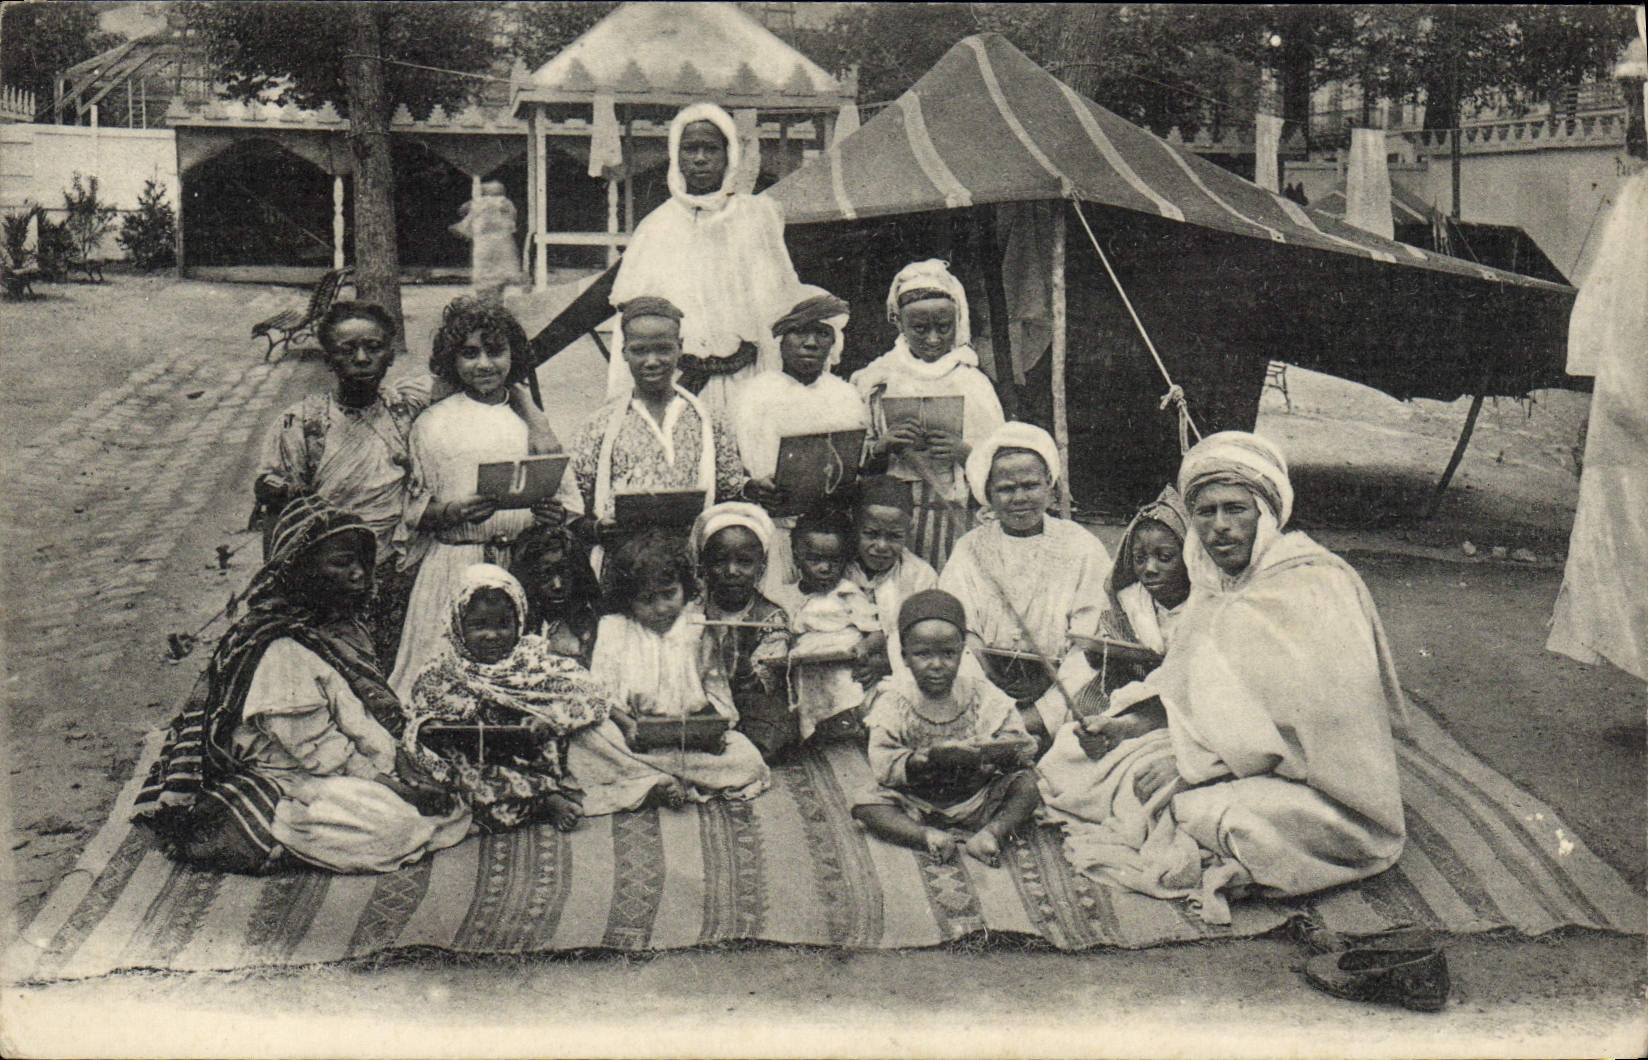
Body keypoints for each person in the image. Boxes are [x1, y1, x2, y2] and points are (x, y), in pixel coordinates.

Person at [1038, 432, 1409, 925]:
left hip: (1319, 786)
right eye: (1206, 512)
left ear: (1267, 513)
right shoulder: (1216, 583)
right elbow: (1186, 681)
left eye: (1236, 509)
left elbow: (1313, 731)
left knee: (1203, 814)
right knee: (1071, 754)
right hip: (1222, 752)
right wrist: (1132, 725)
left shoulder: (1313, 584)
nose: (1220, 528)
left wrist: (1193, 767)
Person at [133, 497, 469, 875]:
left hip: (341, 760)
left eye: (360, 562)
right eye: (342, 563)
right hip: (293, 774)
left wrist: (398, 761)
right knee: (397, 826)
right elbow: (317, 751)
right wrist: (395, 786)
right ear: (303, 573)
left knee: (446, 796)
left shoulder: (332, 629)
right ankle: (276, 829)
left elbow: (358, 719)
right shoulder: (279, 648)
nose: (359, 573)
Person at [388, 298, 563, 700]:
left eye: (495, 351)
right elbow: (412, 506)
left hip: (520, 563)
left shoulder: (532, 422)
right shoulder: (434, 423)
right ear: (453, 360)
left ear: (513, 355)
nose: (484, 364)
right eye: (470, 354)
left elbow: (560, 491)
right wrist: (450, 511)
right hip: (455, 562)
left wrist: (551, 512)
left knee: (517, 683)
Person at [252, 301, 429, 663]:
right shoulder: (302, 424)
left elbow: (475, 379)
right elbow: (275, 508)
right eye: (347, 350)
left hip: (398, 572)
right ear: (329, 358)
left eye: (374, 347)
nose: (362, 358)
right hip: (330, 583)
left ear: (390, 355)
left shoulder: (405, 409)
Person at [607, 103, 799, 415]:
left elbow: (782, 304)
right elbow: (630, 324)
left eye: (710, 149)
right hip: (680, 385)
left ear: (729, 155)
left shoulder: (756, 217)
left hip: (749, 382)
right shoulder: (656, 227)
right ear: (675, 155)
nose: (699, 158)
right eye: (689, 149)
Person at [404, 563, 612, 833]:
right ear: (457, 624)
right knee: (463, 775)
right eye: (479, 626)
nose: (492, 635)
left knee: (573, 742)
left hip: (531, 750)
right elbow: (421, 716)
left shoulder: (529, 657)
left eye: (503, 625)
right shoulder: (443, 668)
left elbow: (582, 688)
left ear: (519, 621)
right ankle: (543, 799)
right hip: (476, 754)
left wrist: (548, 718)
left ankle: (544, 794)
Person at [939, 422, 1111, 741]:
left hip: (1059, 697)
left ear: (1049, 485)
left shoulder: (1082, 547)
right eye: (1006, 488)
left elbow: (1090, 643)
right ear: (989, 493)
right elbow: (956, 627)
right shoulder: (970, 548)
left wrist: (1037, 716)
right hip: (984, 693)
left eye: (1030, 485)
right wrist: (987, 697)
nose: (1019, 498)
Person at [852, 590, 1041, 867]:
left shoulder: (980, 694)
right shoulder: (894, 702)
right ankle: (926, 835)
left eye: (948, 654)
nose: (937, 665)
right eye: (923, 654)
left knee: (1028, 786)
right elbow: (883, 762)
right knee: (865, 803)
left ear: (962, 651)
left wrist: (993, 749)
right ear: (904, 657)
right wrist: (924, 759)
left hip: (976, 797)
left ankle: (990, 834)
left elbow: (1019, 742)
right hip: (916, 800)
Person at [585, 529, 771, 800]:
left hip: (690, 742)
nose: (661, 609)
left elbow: (717, 693)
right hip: (634, 738)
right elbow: (599, 695)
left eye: (668, 594)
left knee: (747, 759)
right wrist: (627, 726)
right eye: (647, 600)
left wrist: (710, 730)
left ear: (684, 589)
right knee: (589, 743)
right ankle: (663, 781)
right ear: (628, 600)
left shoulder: (696, 628)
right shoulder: (614, 628)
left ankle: (650, 780)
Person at [851, 260, 1005, 570]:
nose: (933, 338)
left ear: (957, 321)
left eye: (944, 327)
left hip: (950, 514)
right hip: (885, 519)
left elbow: (1000, 463)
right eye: (920, 328)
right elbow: (848, 459)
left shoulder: (972, 382)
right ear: (899, 323)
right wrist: (883, 447)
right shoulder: (875, 379)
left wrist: (965, 453)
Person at [566, 297, 747, 540]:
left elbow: (730, 496)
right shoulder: (598, 425)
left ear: (680, 347)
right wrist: (598, 529)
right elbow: (574, 508)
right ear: (624, 353)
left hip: (691, 560)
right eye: (639, 351)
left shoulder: (710, 420)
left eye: (663, 349)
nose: (652, 361)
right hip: (624, 560)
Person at [734, 286, 869, 599]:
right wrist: (752, 486)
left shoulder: (846, 397)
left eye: (821, 333)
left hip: (828, 541)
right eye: (799, 333)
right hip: (773, 530)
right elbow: (732, 466)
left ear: (834, 341)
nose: (810, 343)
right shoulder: (754, 395)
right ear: (781, 339)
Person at [691, 502, 796, 763]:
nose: (731, 571)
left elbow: (764, 682)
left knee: (768, 734)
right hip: (701, 697)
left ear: (761, 568)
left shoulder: (771, 618)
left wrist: (738, 665)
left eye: (744, 562)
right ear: (703, 566)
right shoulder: (693, 611)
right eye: (719, 561)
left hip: (751, 703)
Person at [773, 505, 881, 743]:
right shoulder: (787, 596)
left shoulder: (847, 593)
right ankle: (820, 727)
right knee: (808, 693)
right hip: (808, 665)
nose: (824, 568)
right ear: (796, 556)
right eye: (814, 559)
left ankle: (848, 721)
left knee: (847, 690)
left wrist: (865, 647)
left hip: (842, 660)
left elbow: (875, 631)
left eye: (834, 560)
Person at [843, 474, 939, 689]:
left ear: (909, 530)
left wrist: (887, 664)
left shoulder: (920, 576)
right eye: (871, 534)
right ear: (855, 525)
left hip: (897, 678)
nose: (882, 546)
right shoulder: (838, 568)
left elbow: (928, 639)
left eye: (894, 536)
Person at [509, 522, 602, 663]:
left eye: (565, 572)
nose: (557, 585)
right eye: (545, 575)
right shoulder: (513, 632)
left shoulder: (598, 628)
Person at [450, 180, 522, 304]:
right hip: (503, 244)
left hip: (485, 244)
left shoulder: (479, 203)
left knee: (484, 276)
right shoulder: (507, 203)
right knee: (501, 275)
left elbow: (462, 211)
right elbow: (513, 220)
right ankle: (497, 301)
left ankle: (485, 303)